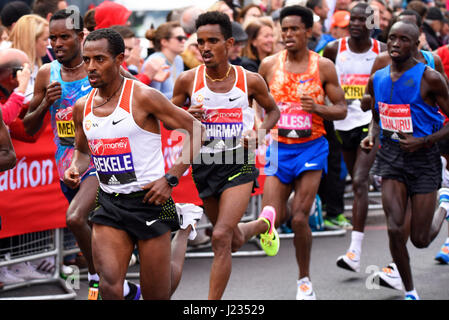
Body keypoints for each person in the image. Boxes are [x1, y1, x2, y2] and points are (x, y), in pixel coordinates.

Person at [64, 28, 203, 300]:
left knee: (157, 294)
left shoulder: (143, 96)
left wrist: (171, 178)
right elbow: (81, 154)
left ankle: (185, 229)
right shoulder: (82, 107)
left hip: (149, 201)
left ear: (119, 60)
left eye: (100, 59)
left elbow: (196, 130)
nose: (91, 67)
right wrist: (75, 169)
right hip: (110, 203)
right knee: (110, 287)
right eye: (87, 59)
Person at [22, 10, 140, 300]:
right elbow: (28, 127)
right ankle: (125, 288)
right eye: (52, 38)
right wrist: (43, 105)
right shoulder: (48, 74)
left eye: (64, 36)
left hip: (102, 160)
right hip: (69, 165)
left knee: (75, 219)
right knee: (98, 227)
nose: (57, 43)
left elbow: (141, 99)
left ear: (80, 36)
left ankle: (95, 275)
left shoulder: (101, 69)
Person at [171, 11, 280, 300]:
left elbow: (274, 111)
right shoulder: (187, 81)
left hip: (238, 162)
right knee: (231, 240)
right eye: (200, 42)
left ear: (230, 43)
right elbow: (167, 117)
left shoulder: (250, 80)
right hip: (204, 164)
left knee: (219, 237)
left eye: (213, 41)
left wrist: (260, 132)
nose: (205, 48)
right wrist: (183, 114)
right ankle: (262, 224)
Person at [257, 5, 347, 300]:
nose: (288, 34)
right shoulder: (269, 65)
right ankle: (273, 221)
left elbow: (342, 110)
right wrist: (261, 124)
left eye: (295, 29)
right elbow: (256, 100)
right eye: (285, 29)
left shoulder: (322, 66)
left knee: (299, 219)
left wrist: (317, 108)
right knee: (271, 219)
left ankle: (304, 280)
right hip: (279, 150)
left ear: (309, 31)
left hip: (312, 147)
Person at [364, 20, 449, 300]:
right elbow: (378, 115)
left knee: (420, 239)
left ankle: (444, 207)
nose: (395, 44)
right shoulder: (378, 77)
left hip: (424, 158)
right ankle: (410, 290)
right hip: (391, 157)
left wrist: (423, 141)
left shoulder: (430, 78)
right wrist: (371, 135)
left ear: (416, 45)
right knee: (394, 227)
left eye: (403, 39)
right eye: (391, 38)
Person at [323, 2, 387, 271]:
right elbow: (321, 81)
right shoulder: (334, 49)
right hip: (341, 124)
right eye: (354, 19)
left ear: (372, 24)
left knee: (359, 181)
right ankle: (380, 176)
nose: (357, 24)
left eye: (363, 20)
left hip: (370, 123)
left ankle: (354, 251)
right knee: (357, 178)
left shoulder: (381, 51)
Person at [143, 21, 187, 100]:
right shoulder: (154, 62)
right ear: (164, 42)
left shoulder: (178, 59)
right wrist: (184, 94)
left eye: (185, 38)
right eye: (180, 38)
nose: (184, 41)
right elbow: (153, 99)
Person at [0, 49, 31, 126]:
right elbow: (4, 118)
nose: (27, 74)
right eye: (24, 70)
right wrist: (21, 90)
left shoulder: (5, 93)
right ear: (12, 76)